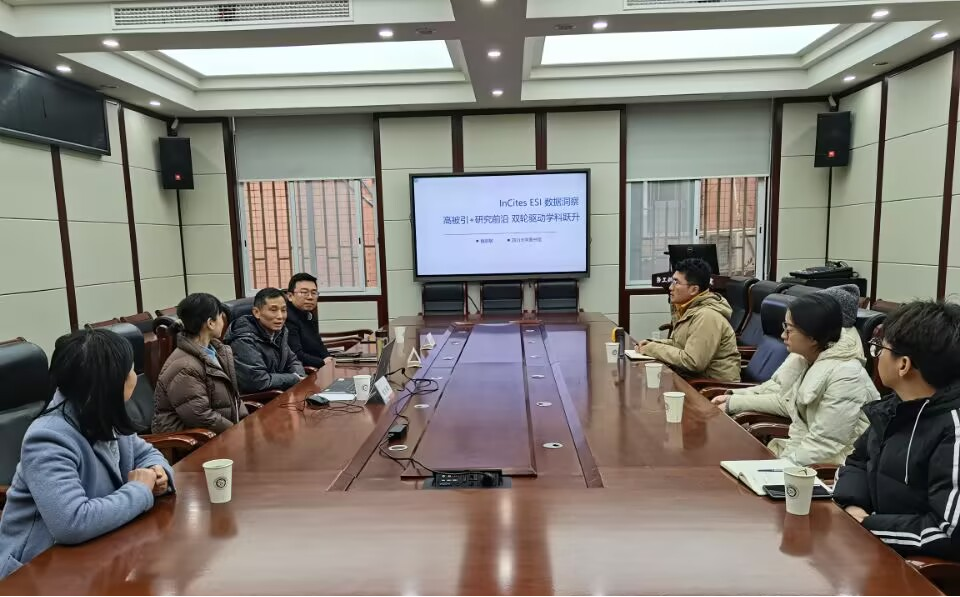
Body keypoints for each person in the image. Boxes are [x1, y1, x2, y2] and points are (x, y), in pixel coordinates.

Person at [0, 329, 174, 579]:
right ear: (109, 384)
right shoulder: (48, 438)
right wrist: (140, 491)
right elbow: (71, 522)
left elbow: (146, 454)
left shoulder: (103, 413)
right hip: (38, 571)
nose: (134, 376)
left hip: (99, 550)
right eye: (130, 370)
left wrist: (158, 472)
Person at [833, 301, 960, 560]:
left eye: (880, 348)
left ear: (903, 365)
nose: (876, 355)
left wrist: (869, 526)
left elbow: (949, 533)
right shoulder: (895, 407)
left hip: (919, 568)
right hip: (873, 547)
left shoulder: (953, 429)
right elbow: (857, 462)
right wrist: (854, 506)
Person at [711, 293, 880, 466]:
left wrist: (778, 468)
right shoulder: (806, 358)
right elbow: (796, 420)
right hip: (807, 457)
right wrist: (734, 399)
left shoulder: (847, 376)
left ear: (812, 337)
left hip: (839, 465)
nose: (783, 335)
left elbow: (825, 444)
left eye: (789, 329)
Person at [152, 293, 248, 434]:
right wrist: (236, 431)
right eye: (220, 316)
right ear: (210, 323)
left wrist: (246, 422)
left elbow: (233, 397)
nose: (223, 321)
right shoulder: (185, 366)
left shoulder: (217, 351)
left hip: (220, 432)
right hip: (192, 440)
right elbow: (201, 416)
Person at [636, 257, 740, 381]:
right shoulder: (689, 309)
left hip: (712, 387)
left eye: (676, 282)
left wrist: (653, 349)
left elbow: (692, 362)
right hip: (694, 381)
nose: (670, 287)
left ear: (694, 289)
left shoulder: (707, 316)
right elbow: (679, 345)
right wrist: (653, 344)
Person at [224, 287, 306, 393]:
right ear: (256, 312)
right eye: (273, 310)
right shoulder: (244, 340)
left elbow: (292, 361)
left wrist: (299, 376)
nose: (280, 316)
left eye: (283, 310)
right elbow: (258, 381)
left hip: (279, 392)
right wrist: (294, 378)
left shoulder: (279, 332)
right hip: (261, 398)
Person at [284, 273, 334, 369]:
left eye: (314, 293)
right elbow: (296, 354)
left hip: (319, 367)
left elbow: (318, 343)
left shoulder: (308, 314)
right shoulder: (287, 318)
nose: (310, 297)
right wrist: (322, 362)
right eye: (304, 292)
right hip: (304, 371)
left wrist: (328, 358)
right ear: (290, 296)